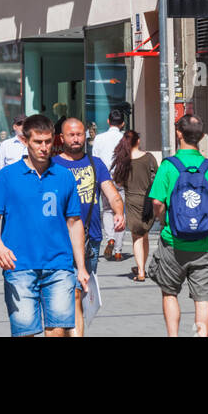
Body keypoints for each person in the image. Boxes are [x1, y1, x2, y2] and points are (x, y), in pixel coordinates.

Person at [0, 113, 90, 339]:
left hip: (59, 264)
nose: (44, 147)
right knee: (25, 331)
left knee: (58, 329)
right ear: (25, 141)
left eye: (48, 141)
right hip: (19, 265)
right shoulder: (6, 176)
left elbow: (74, 222)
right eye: (37, 142)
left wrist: (80, 266)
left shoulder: (64, 176)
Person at [148, 114, 208, 338]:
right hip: (206, 244)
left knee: (169, 293)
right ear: (201, 136)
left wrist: (163, 220)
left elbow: (156, 202)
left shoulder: (169, 166)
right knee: (202, 299)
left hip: (173, 242)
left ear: (179, 133)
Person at [53, 117, 124, 335]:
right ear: (61, 137)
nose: (76, 139)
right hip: (60, 239)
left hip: (90, 240)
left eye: (80, 134)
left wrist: (119, 211)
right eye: (71, 135)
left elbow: (111, 192)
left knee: (79, 294)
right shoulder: (53, 165)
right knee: (71, 294)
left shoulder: (96, 164)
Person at [111, 129, 158, 282]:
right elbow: (156, 178)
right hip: (148, 201)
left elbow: (118, 182)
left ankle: (141, 271)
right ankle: (141, 266)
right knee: (144, 235)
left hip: (132, 201)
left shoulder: (124, 161)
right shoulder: (149, 157)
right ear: (138, 141)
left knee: (136, 237)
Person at [91, 107, 127, 260]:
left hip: (104, 177)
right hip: (121, 177)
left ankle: (110, 238)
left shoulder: (99, 138)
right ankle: (118, 250)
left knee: (106, 209)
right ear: (123, 123)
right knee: (120, 211)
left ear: (108, 121)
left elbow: (95, 159)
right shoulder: (125, 138)